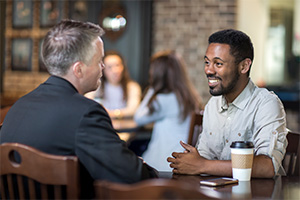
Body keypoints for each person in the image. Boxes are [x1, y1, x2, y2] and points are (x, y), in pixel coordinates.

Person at [0, 19, 157, 198]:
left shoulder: (18, 106)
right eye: (99, 61)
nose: (103, 67)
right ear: (79, 70)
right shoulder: (87, 113)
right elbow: (132, 176)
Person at [167, 29, 288, 178]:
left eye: (218, 63)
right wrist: (192, 162)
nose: (208, 70)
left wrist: (201, 165)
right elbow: (204, 157)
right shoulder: (213, 105)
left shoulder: (267, 104)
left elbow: (267, 166)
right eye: (207, 62)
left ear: (244, 66)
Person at [134, 50, 202, 172]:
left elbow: (138, 118)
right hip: (180, 160)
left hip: (162, 165)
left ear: (158, 74)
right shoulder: (188, 97)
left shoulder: (163, 100)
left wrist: (152, 89)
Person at [85, 50, 141, 118]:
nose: (115, 71)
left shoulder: (132, 87)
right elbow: (87, 104)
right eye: (109, 67)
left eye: (117, 65)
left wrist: (111, 113)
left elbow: (133, 110)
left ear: (123, 67)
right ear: (103, 69)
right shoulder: (96, 86)